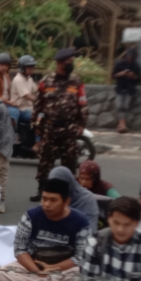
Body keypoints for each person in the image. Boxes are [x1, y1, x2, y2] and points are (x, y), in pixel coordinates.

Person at [0, 178, 90, 281]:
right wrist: (37, 271)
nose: (47, 205)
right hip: (33, 265)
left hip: (64, 268)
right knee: (0, 275)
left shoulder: (81, 221)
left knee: (83, 278)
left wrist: (52, 268)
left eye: (53, 200)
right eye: (44, 199)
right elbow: (20, 249)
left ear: (66, 202)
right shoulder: (30, 216)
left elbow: (80, 257)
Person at [30, 47, 88, 202]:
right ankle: (42, 190)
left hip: (69, 128)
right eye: (68, 62)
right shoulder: (46, 82)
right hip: (50, 127)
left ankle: (68, 193)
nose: (71, 64)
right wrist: (36, 126)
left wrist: (82, 124)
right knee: (45, 161)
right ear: (59, 63)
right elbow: (37, 105)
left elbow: (82, 103)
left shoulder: (76, 82)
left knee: (70, 161)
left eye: (72, 61)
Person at [49, 166, 99, 232]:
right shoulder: (49, 198)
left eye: (60, 186)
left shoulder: (87, 199)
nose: (56, 190)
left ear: (69, 184)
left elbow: (90, 231)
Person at [112, 48, 141, 134]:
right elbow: (113, 75)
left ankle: (121, 124)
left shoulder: (136, 66)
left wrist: (133, 76)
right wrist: (121, 74)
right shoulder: (120, 64)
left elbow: (139, 79)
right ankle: (122, 124)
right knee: (119, 105)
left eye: (132, 56)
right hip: (120, 87)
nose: (130, 57)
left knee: (125, 106)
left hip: (130, 88)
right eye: (129, 55)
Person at [9, 55, 37, 127]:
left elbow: (36, 90)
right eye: (29, 67)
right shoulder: (18, 79)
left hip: (30, 108)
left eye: (32, 66)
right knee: (38, 118)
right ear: (22, 67)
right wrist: (40, 101)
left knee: (45, 114)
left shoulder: (29, 78)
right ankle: (37, 138)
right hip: (21, 109)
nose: (32, 69)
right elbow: (27, 96)